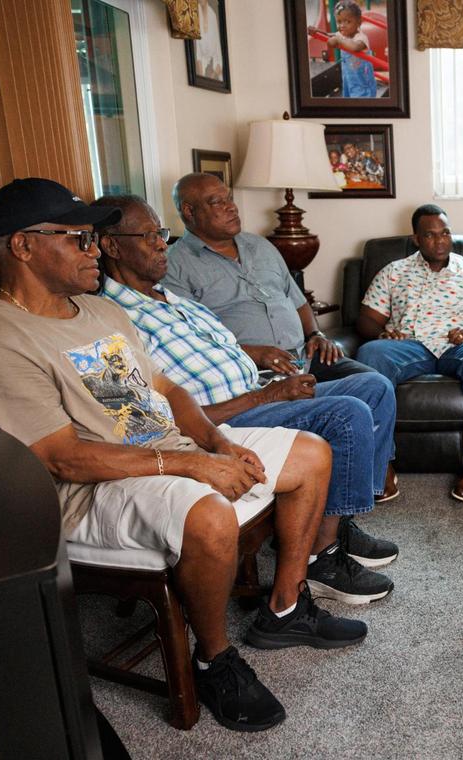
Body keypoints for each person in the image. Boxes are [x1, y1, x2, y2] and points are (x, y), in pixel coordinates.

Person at [0, 178, 368, 732]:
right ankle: (214, 659)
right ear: (21, 246)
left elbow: (166, 392)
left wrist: (218, 442)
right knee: (210, 516)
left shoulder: (98, 313)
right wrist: (193, 465)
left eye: (93, 237)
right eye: (77, 238)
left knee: (311, 453)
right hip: (94, 488)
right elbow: (63, 459)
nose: (93, 249)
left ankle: (286, 606)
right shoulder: (5, 335)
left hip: (169, 451)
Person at [94, 194, 399, 606]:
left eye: (161, 234)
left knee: (374, 386)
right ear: (110, 246)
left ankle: (336, 518)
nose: (161, 244)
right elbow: (150, 418)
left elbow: (225, 348)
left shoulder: (172, 300)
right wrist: (266, 395)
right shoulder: (112, 317)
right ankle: (320, 559)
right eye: (148, 236)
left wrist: (264, 361)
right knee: (348, 414)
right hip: (229, 418)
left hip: (261, 387)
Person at [162, 173, 400, 501]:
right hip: (257, 372)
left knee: (377, 385)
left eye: (229, 198)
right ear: (189, 212)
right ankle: (359, 484)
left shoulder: (261, 245)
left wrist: (316, 333)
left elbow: (298, 300)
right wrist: (252, 352)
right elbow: (191, 339)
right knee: (351, 407)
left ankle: (372, 478)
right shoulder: (175, 266)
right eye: (217, 202)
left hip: (303, 352)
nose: (231, 208)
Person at [354, 204, 463, 502]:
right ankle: (381, 463)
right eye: (431, 235)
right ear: (416, 239)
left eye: (445, 233)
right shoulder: (394, 272)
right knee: (370, 353)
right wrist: (384, 333)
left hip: (458, 346)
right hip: (409, 346)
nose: (440, 241)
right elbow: (366, 320)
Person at [309, 0, 378, 98]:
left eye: (348, 22)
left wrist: (339, 41)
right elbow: (329, 35)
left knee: (361, 99)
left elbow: (354, 47)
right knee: (348, 94)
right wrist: (316, 32)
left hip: (362, 81)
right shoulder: (342, 34)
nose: (342, 25)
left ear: (359, 22)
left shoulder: (361, 38)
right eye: (339, 21)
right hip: (349, 77)